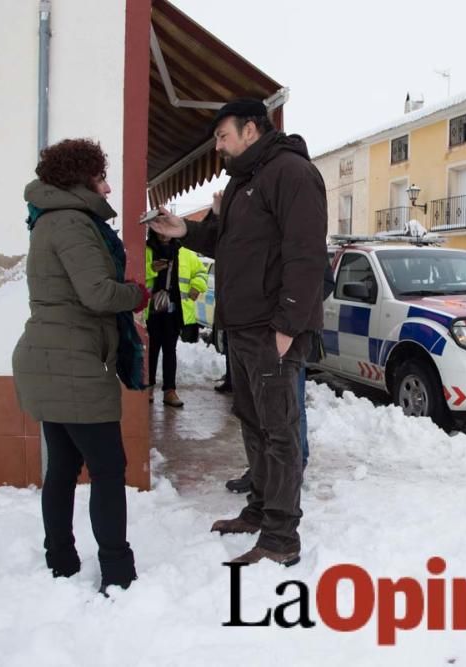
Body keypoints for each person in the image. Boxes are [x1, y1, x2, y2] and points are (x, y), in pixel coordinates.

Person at [150, 98, 327, 566]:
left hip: (272, 329)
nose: (219, 146)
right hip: (242, 327)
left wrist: (287, 326)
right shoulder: (244, 181)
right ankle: (260, 511)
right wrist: (182, 230)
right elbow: (225, 243)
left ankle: (281, 539)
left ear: (251, 129)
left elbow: (307, 254)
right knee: (253, 426)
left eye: (223, 136)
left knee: (280, 432)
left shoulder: (291, 173)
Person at [13, 138, 149, 594]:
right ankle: (116, 572)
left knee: (64, 467)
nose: (108, 188)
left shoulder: (49, 219)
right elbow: (98, 295)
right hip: (72, 363)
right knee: (108, 469)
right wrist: (138, 293)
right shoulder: (72, 223)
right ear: (81, 180)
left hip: (53, 358)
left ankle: (61, 561)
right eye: (101, 178)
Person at [225, 263, 335, 493]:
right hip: (261, 334)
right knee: (259, 407)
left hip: (290, 336)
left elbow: (323, 282)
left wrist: (290, 314)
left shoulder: (302, 238)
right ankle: (261, 470)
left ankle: (294, 467)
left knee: (291, 405)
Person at [145, 228, 208, 408]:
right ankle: (148, 388)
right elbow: (135, 274)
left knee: (170, 351)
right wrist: (151, 269)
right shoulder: (146, 251)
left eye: (167, 230)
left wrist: (197, 286)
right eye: (160, 230)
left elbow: (201, 272)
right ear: (154, 232)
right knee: (151, 350)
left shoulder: (185, 252)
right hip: (150, 311)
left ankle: (169, 390)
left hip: (174, 312)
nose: (164, 234)